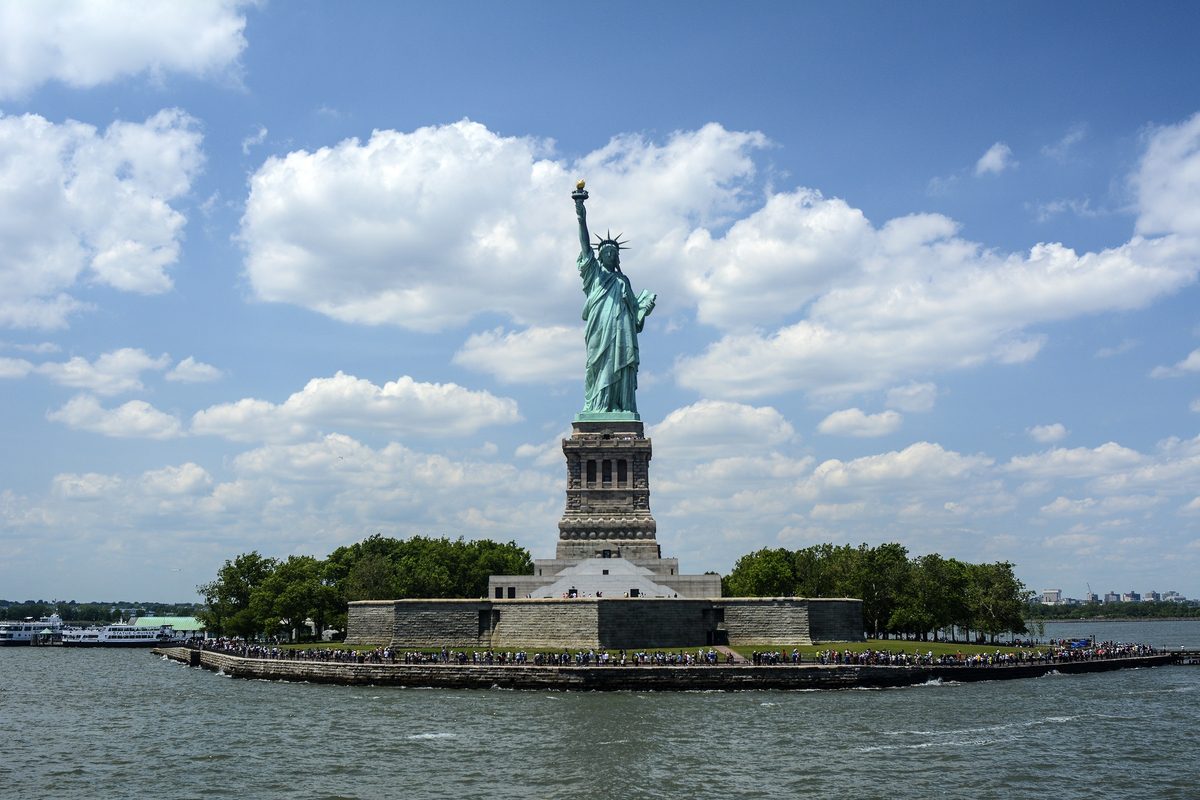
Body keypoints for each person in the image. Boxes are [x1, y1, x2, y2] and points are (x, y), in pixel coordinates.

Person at [572, 183, 656, 415]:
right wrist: (580, 212)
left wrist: (644, 308)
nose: (609, 255)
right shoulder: (594, 275)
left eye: (613, 253)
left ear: (617, 257)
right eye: (605, 252)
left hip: (621, 330)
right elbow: (584, 243)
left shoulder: (623, 281)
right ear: (599, 256)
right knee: (598, 366)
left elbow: (635, 310)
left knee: (619, 366)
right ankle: (598, 406)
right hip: (600, 329)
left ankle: (618, 405)